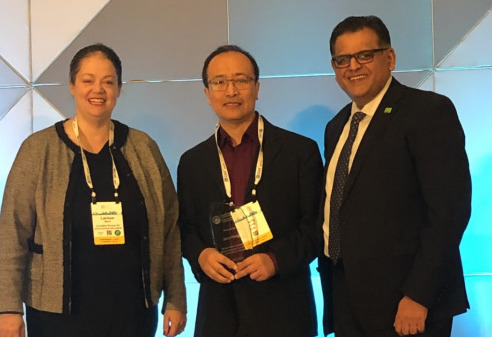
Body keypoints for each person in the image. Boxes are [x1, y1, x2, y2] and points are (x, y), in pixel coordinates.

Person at [0, 43, 186, 337]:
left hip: (133, 311)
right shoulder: (38, 150)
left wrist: (176, 299)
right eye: (88, 80)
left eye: (108, 82)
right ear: (72, 85)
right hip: (56, 315)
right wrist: (8, 308)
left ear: (119, 89)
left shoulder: (143, 148)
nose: (98, 90)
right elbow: (12, 233)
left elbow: (170, 231)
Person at [318, 15, 471, 337]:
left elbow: (448, 213)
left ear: (390, 58)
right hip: (348, 298)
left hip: (408, 304)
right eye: (342, 60)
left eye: (364, 55)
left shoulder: (427, 112)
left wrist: (418, 295)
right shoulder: (337, 127)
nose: (353, 67)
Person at [178, 45, 323, 337]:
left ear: (257, 88)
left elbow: (318, 226)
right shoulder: (192, 162)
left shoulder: (299, 152)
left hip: (284, 309)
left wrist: (275, 259)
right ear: (207, 93)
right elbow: (184, 228)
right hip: (218, 311)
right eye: (219, 82)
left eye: (241, 80)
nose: (231, 90)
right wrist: (201, 255)